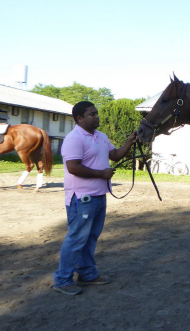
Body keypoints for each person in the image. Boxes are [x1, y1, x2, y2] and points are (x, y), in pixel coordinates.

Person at [52, 101, 138, 295]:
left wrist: (130, 142)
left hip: (99, 196)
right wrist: (101, 174)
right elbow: (73, 167)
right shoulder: (74, 138)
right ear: (80, 118)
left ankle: (87, 275)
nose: (97, 116)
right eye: (92, 114)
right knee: (76, 239)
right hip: (82, 198)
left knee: (90, 238)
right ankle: (62, 280)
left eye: (97, 113)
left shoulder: (101, 136)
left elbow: (115, 155)